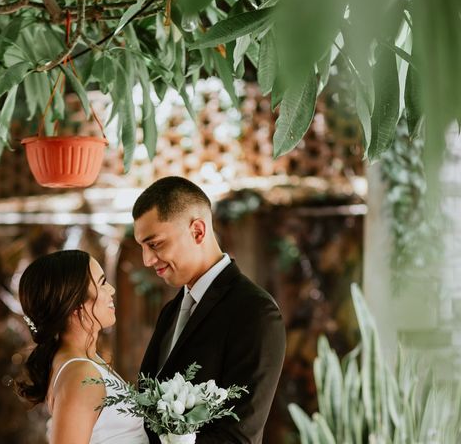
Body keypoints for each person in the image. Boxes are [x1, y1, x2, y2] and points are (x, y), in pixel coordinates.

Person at [133, 176, 286, 444]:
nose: (147, 260)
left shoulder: (254, 312)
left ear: (198, 231)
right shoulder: (170, 311)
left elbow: (240, 435)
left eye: (155, 244)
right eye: (142, 247)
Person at [16, 250, 149, 444]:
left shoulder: (84, 361)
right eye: (102, 283)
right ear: (75, 303)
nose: (111, 290)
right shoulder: (81, 375)